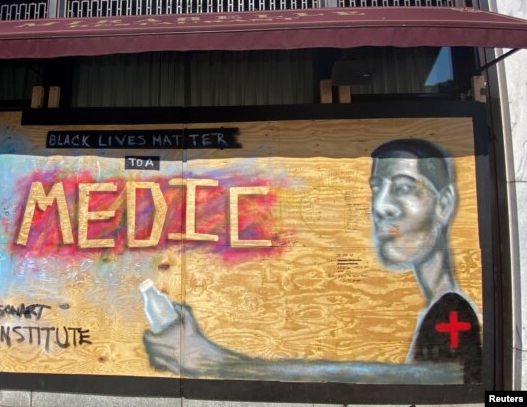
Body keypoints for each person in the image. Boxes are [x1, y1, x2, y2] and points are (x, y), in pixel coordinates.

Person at [143, 138, 482, 384]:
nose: (381, 205)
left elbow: (445, 377)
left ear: (444, 204)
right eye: (377, 186)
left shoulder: (452, 309)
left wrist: (219, 366)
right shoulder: (434, 309)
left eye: (405, 187)